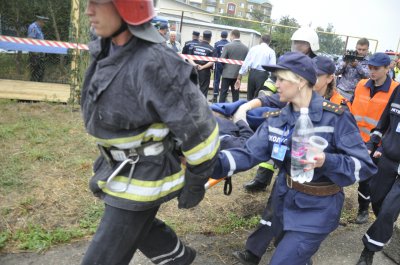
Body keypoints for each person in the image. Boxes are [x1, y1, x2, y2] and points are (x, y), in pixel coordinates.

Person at [81, 1, 220, 264]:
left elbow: (200, 129)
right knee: (136, 226)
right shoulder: (105, 47)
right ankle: (177, 258)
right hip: (116, 166)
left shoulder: (156, 63)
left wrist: (195, 180)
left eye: (98, 3)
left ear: (128, 9)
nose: (89, 10)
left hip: (142, 175)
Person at [212, 51, 377, 265]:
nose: (276, 84)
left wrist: (326, 160)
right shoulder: (276, 119)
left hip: (317, 211)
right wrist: (206, 163)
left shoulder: (336, 118)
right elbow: (247, 154)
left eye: (281, 79)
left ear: (300, 81)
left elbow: (365, 167)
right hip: (283, 204)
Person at [238, 27, 320, 193]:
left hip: (305, 114)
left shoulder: (316, 65)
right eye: (295, 42)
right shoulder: (287, 60)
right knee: (275, 143)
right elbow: (272, 80)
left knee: (296, 152)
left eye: (301, 43)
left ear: (311, 45)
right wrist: (265, 94)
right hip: (282, 107)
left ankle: (293, 184)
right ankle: (262, 179)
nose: (297, 45)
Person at [350, 52, 398, 225]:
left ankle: (364, 208)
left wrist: (381, 145)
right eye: (370, 67)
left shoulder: (395, 90)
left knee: (367, 180)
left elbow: (391, 122)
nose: (372, 71)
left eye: (376, 68)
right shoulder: (361, 84)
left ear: (387, 68)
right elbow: (351, 106)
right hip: (355, 140)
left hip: (377, 144)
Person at [356, 83, 400, 265]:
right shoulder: (399, 91)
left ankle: (368, 251)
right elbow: (385, 121)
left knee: (388, 211)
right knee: (377, 200)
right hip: (389, 159)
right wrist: (373, 143)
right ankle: (383, 230)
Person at [236, 35, 276, 100]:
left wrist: (240, 76)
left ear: (260, 40)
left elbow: (246, 63)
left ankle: (248, 107)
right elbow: (272, 66)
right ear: (270, 42)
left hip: (252, 73)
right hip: (263, 75)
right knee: (259, 97)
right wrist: (272, 78)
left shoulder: (253, 49)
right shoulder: (271, 51)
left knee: (249, 95)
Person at [219, 30, 248, 103]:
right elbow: (245, 63)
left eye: (230, 36)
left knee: (223, 94)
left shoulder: (227, 46)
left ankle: (220, 110)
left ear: (233, 35)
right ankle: (235, 110)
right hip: (238, 75)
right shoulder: (246, 48)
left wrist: (225, 67)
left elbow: (222, 60)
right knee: (235, 95)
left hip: (226, 74)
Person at [189, 30, 215, 98]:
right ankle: (201, 107)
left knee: (192, 88)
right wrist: (202, 67)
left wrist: (195, 64)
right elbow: (212, 61)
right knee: (203, 90)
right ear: (210, 38)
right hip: (205, 72)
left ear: (203, 37)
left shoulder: (195, 46)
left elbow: (189, 57)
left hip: (194, 69)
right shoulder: (211, 49)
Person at [27, 15, 49, 82]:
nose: (44, 24)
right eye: (43, 22)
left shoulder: (39, 28)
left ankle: (38, 87)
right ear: (40, 20)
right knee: (35, 73)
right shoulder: (33, 27)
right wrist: (35, 53)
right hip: (35, 54)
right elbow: (30, 40)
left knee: (40, 73)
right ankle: (33, 88)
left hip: (40, 54)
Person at [211, 31, 230, 103]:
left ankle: (215, 97)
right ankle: (224, 97)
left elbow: (214, 55)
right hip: (226, 65)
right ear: (227, 36)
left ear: (221, 35)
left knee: (216, 80)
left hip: (218, 64)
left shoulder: (217, 44)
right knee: (226, 81)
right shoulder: (229, 44)